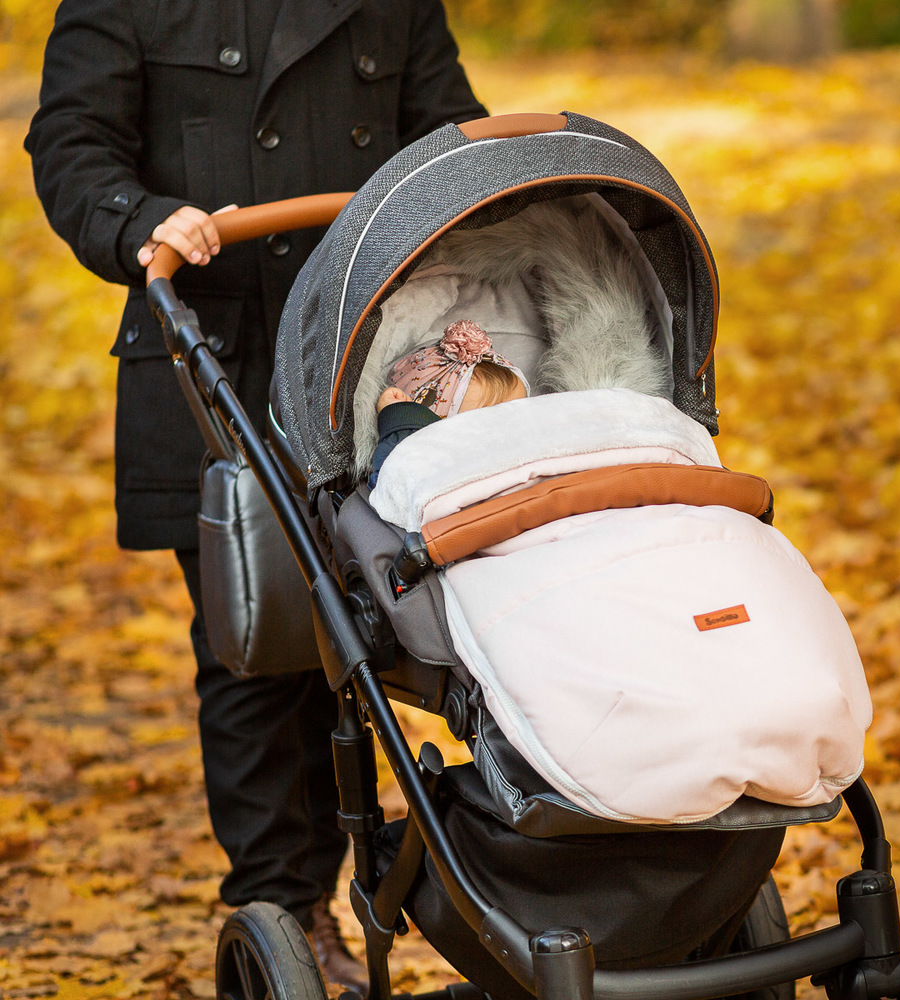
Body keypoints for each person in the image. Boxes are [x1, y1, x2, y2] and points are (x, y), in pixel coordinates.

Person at [24, 1, 488, 993]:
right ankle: (290, 906)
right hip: (214, 363)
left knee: (447, 612)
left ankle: (510, 858)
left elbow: (446, 134)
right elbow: (70, 142)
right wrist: (137, 216)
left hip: (370, 358)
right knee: (261, 649)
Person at [371, 320, 531, 483]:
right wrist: (401, 421)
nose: (506, 435)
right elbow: (398, 476)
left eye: (514, 417)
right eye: (486, 425)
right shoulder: (443, 472)